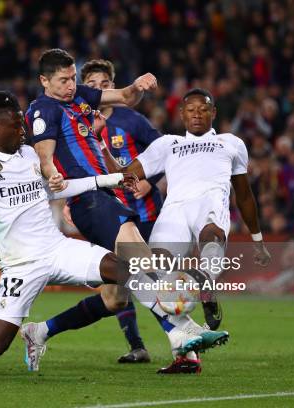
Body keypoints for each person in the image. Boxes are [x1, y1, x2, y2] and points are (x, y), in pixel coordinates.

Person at [0, 85, 211, 376]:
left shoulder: (29, 155)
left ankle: (181, 329)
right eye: (14, 119)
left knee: (125, 269)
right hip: (20, 266)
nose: (23, 124)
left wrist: (110, 179)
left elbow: (58, 188)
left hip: (57, 248)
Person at [23, 49, 227, 374]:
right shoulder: (43, 108)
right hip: (89, 198)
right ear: (44, 81)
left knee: (116, 296)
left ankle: (40, 331)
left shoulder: (79, 99)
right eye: (62, 80)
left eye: (72, 78)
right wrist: (52, 173)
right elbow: (45, 155)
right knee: (141, 260)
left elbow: (123, 96)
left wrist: (138, 84)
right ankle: (182, 333)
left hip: (104, 194)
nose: (70, 86)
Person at [107, 88, 272, 373]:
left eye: (203, 109)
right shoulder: (167, 144)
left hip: (208, 204)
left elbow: (244, 195)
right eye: (191, 110)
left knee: (212, 234)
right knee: (153, 276)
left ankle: (204, 281)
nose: (197, 114)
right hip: (174, 212)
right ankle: (186, 356)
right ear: (181, 114)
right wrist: (99, 147)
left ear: (214, 113)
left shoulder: (230, 143)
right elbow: (125, 174)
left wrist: (257, 239)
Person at [78, 59, 164, 363]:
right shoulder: (77, 124)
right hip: (109, 213)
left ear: (113, 87)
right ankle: (137, 345)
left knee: (154, 275)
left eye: (104, 84)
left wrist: (150, 182)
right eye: (92, 85)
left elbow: (162, 151)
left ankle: (183, 336)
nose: (99, 90)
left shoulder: (131, 120)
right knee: (120, 281)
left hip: (148, 213)